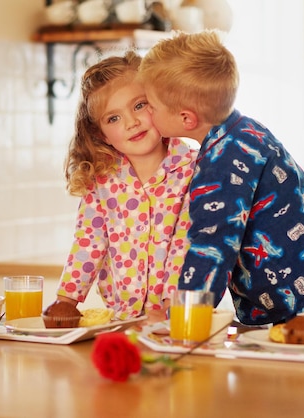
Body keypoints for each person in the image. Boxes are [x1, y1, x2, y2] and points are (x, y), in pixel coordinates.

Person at [137, 30, 304, 336]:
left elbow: (212, 244)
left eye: (151, 106)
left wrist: (181, 320)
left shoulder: (221, 163)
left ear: (186, 119)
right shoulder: (245, 130)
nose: (148, 114)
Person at [54, 51, 198, 323]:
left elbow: (186, 243)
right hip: (122, 320)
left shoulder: (193, 170)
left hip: (179, 316)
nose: (131, 122)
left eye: (139, 105)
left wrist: (171, 306)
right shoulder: (101, 181)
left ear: (158, 101)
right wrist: (65, 302)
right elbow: (88, 242)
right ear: (101, 135)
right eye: (113, 118)